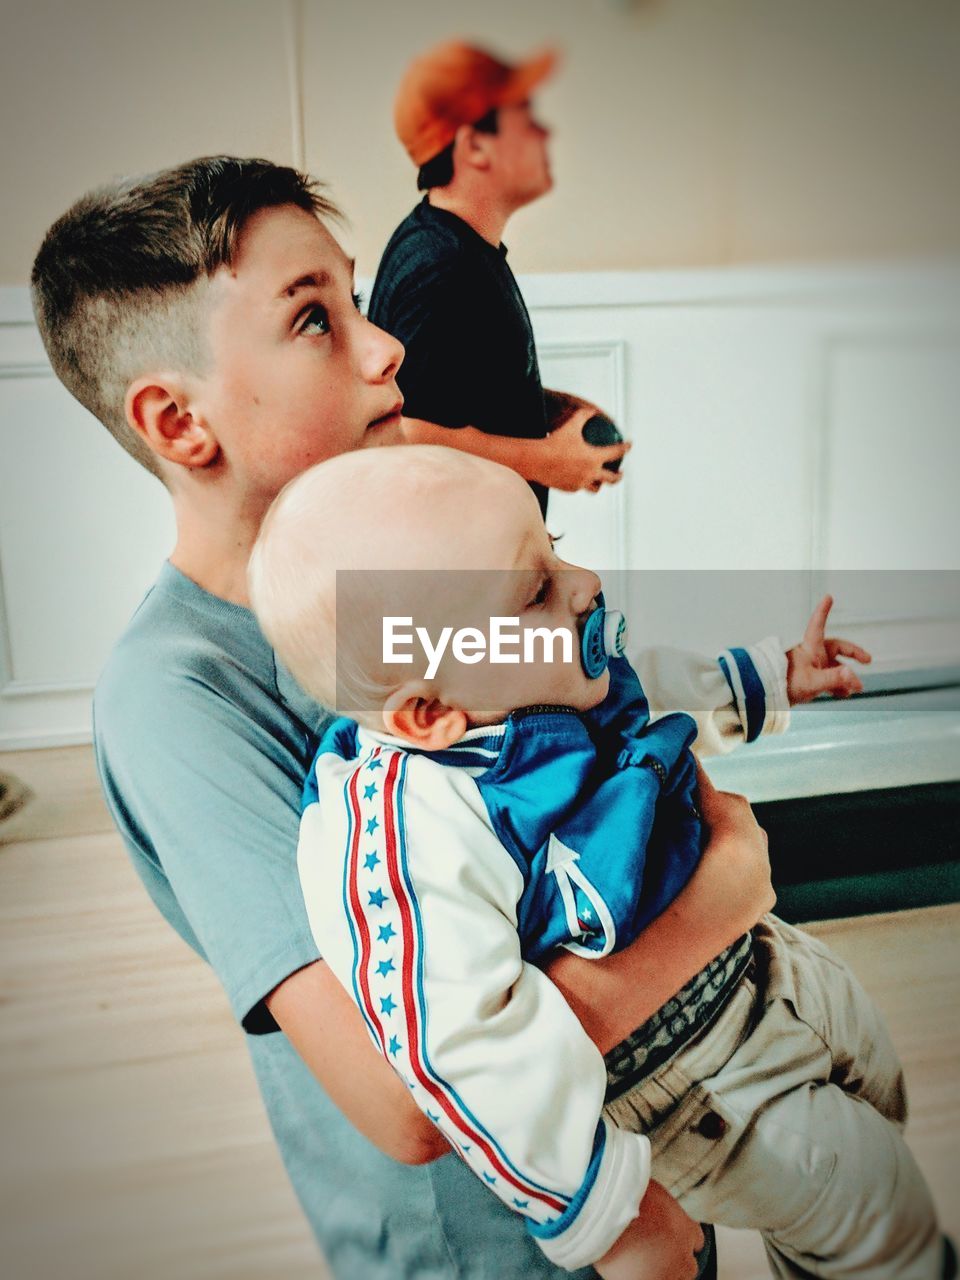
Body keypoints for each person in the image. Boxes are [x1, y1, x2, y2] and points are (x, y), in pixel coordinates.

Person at [32, 155, 781, 1280]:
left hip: (653, 1165)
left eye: (359, 299)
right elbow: (405, 1098)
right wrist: (723, 895)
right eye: (315, 321)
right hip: (484, 1250)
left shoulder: (414, 580)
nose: (386, 348)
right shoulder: (177, 699)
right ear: (177, 420)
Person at [249, 444, 947, 1280]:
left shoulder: (528, 682)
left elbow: (649, 690)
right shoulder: (409, 831)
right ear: (429, 710)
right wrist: (609, 1223)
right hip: (691, 1080)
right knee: (882, 1221)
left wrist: (771, 679)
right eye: (536, 587)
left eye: (556, 547)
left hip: (765, 967)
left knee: (874, 1126)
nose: (583, 582)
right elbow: (462, 1051)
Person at [368, 40, 628, 515]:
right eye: (527, 118)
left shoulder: (460, 251)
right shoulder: (439, 264)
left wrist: (546, 406)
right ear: (475, 145)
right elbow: (398, 428)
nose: (545, 133)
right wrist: (544, 460)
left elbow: (450, 398)